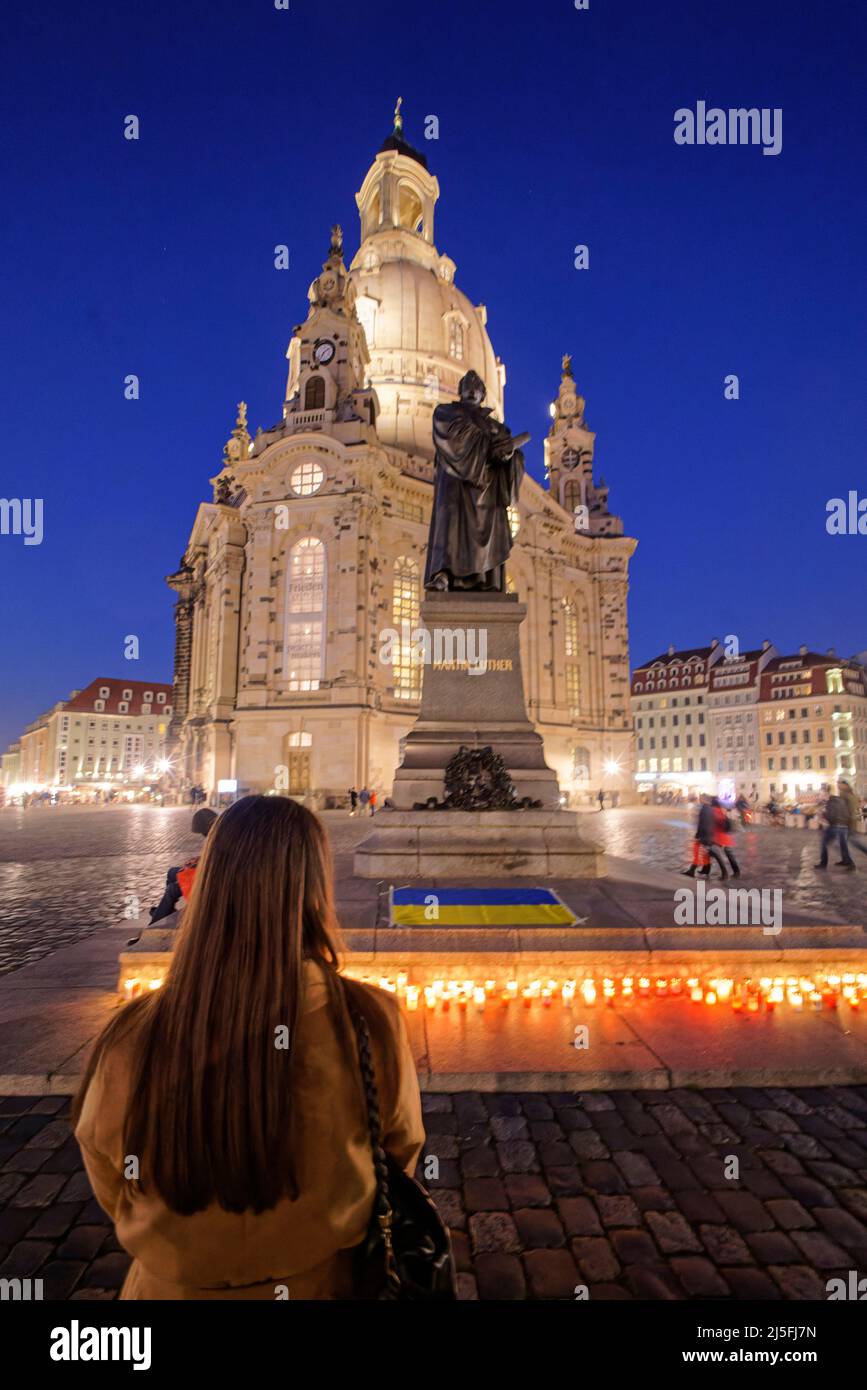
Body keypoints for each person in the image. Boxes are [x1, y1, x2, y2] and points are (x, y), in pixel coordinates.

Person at [74, 795, 424, 1300]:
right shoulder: (371, 1021)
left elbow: (108, 1169)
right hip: (329, 1283)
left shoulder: (131, 1034)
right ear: (315, 889)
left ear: (210, 883)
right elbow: (399, 1153)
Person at [149, 808, 218, 925]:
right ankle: (167, 910)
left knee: (172, 889)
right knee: (172, 872)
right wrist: (198, 860)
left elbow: (216, 863)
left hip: (212, 879)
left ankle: (154, 923)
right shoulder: (217, 835)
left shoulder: (219, 838)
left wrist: (196, 865)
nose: (202, 835)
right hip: (208, 872)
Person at [815, 789, 856, 871]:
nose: (818, 797)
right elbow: (845, 813)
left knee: (824, 843)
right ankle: (848, 862)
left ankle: (823, 864)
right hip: (843, 825)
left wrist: (822, 814)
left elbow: (831, 816)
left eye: (819, 795)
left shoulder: (831, 803)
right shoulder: (838, 800)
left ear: (824, 795)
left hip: (836, 826)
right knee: (842, 845)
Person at [711, 797, 740, 877]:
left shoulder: (714, 811)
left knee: (714, 852)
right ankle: (736, 871)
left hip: (719, 836)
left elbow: (717, 821)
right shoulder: (721, 810)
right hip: (725, 836)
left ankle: (725, 873)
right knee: (729, 853)